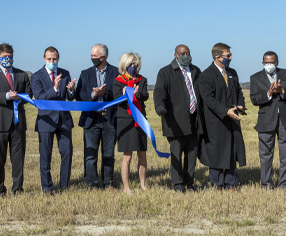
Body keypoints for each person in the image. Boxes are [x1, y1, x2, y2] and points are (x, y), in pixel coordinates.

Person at [0, 43, 32, 197]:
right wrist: (6, 96)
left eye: (10, 56)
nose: (8, 59)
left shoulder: (22, 74)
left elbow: (29, 95)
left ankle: (18, 189)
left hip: (18, 123)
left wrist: (20, 98)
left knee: (18, 159)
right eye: (4, 57)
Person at [154, 44, 203, 193]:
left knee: (192, 153)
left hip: (194, 119)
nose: (186, 55)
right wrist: (160, 107)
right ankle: (178, 184)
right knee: (177, 153)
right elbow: (159, 93)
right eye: (182, 53)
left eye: (188, 53)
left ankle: (189, 182)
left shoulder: (196, 71)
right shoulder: (165, 72)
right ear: (176, 56)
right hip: (175, 120)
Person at [198, 43, 246, 191]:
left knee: (232, 150)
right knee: (216, 152)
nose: (231, 58)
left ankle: (231, 183)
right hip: (216, 121)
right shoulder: (206, 75)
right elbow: (209, 99)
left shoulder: (232, 73)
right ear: (217, 57)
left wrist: (240, 105)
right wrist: (225, 111)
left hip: (232, 119)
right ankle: (217, 184)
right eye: (228, 55)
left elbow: (238, 92)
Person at [250, 51, 286, 189]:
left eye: (271, 62)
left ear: (277, 62)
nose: (269, 65)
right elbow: (254, 99)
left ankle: (284, 183)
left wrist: (282, 91)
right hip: (266, 120)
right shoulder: (255, 77)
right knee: (265, 154)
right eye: (266, 62)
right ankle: (266, 184)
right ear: (262, 63)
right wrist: (269, 94)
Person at [31, 46, 76, 195]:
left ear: (58, 59)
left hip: (63, 120)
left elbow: (69, 98)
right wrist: (55, 89)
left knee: (67, 153)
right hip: (46, 121)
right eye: (49, 59)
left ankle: (64, 186)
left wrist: (70, 90)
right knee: (45, 155)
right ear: (44, 59)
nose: (52, 61)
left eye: (54, 59)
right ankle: (48, 187)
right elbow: (39, 98)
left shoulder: (65, 74)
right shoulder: (36, 76)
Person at [76, 44, 119, 191]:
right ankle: (92, 184)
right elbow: (79, 96)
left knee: (109, 154)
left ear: (104, 57)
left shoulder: (117, 72)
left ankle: (109, 183)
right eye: (91, 56)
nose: (92, 58)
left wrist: (105, 94)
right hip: (91, 119)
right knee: (90, 154)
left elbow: (119, 95)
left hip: (109, 119)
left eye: (95, 56)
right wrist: (94, 95)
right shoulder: (85, 73)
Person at [113, 52, 149, 193]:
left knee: (142, 154)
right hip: (125, 120)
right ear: (124, 65)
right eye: (130, 64)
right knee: (127, 155)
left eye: (135, 64)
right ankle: (126, 187)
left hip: (139, 119)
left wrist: (138, 94)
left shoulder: (142, 80)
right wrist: (123, 95)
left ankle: (143, 184)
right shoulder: (118, 80)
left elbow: (145, 96)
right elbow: (115, 98)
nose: (133, 66)